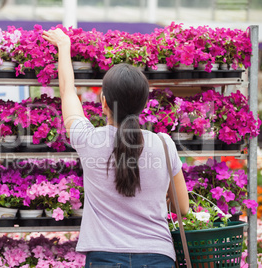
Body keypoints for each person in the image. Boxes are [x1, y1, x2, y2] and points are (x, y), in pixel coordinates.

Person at [43, 29, 189, 268]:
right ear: (144, 104)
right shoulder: (164, 144)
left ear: (103, 103)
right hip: (157, 256)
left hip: (104, 257)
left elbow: (67, 91)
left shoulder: (88, 139)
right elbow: (182, 207)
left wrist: (64, 46)